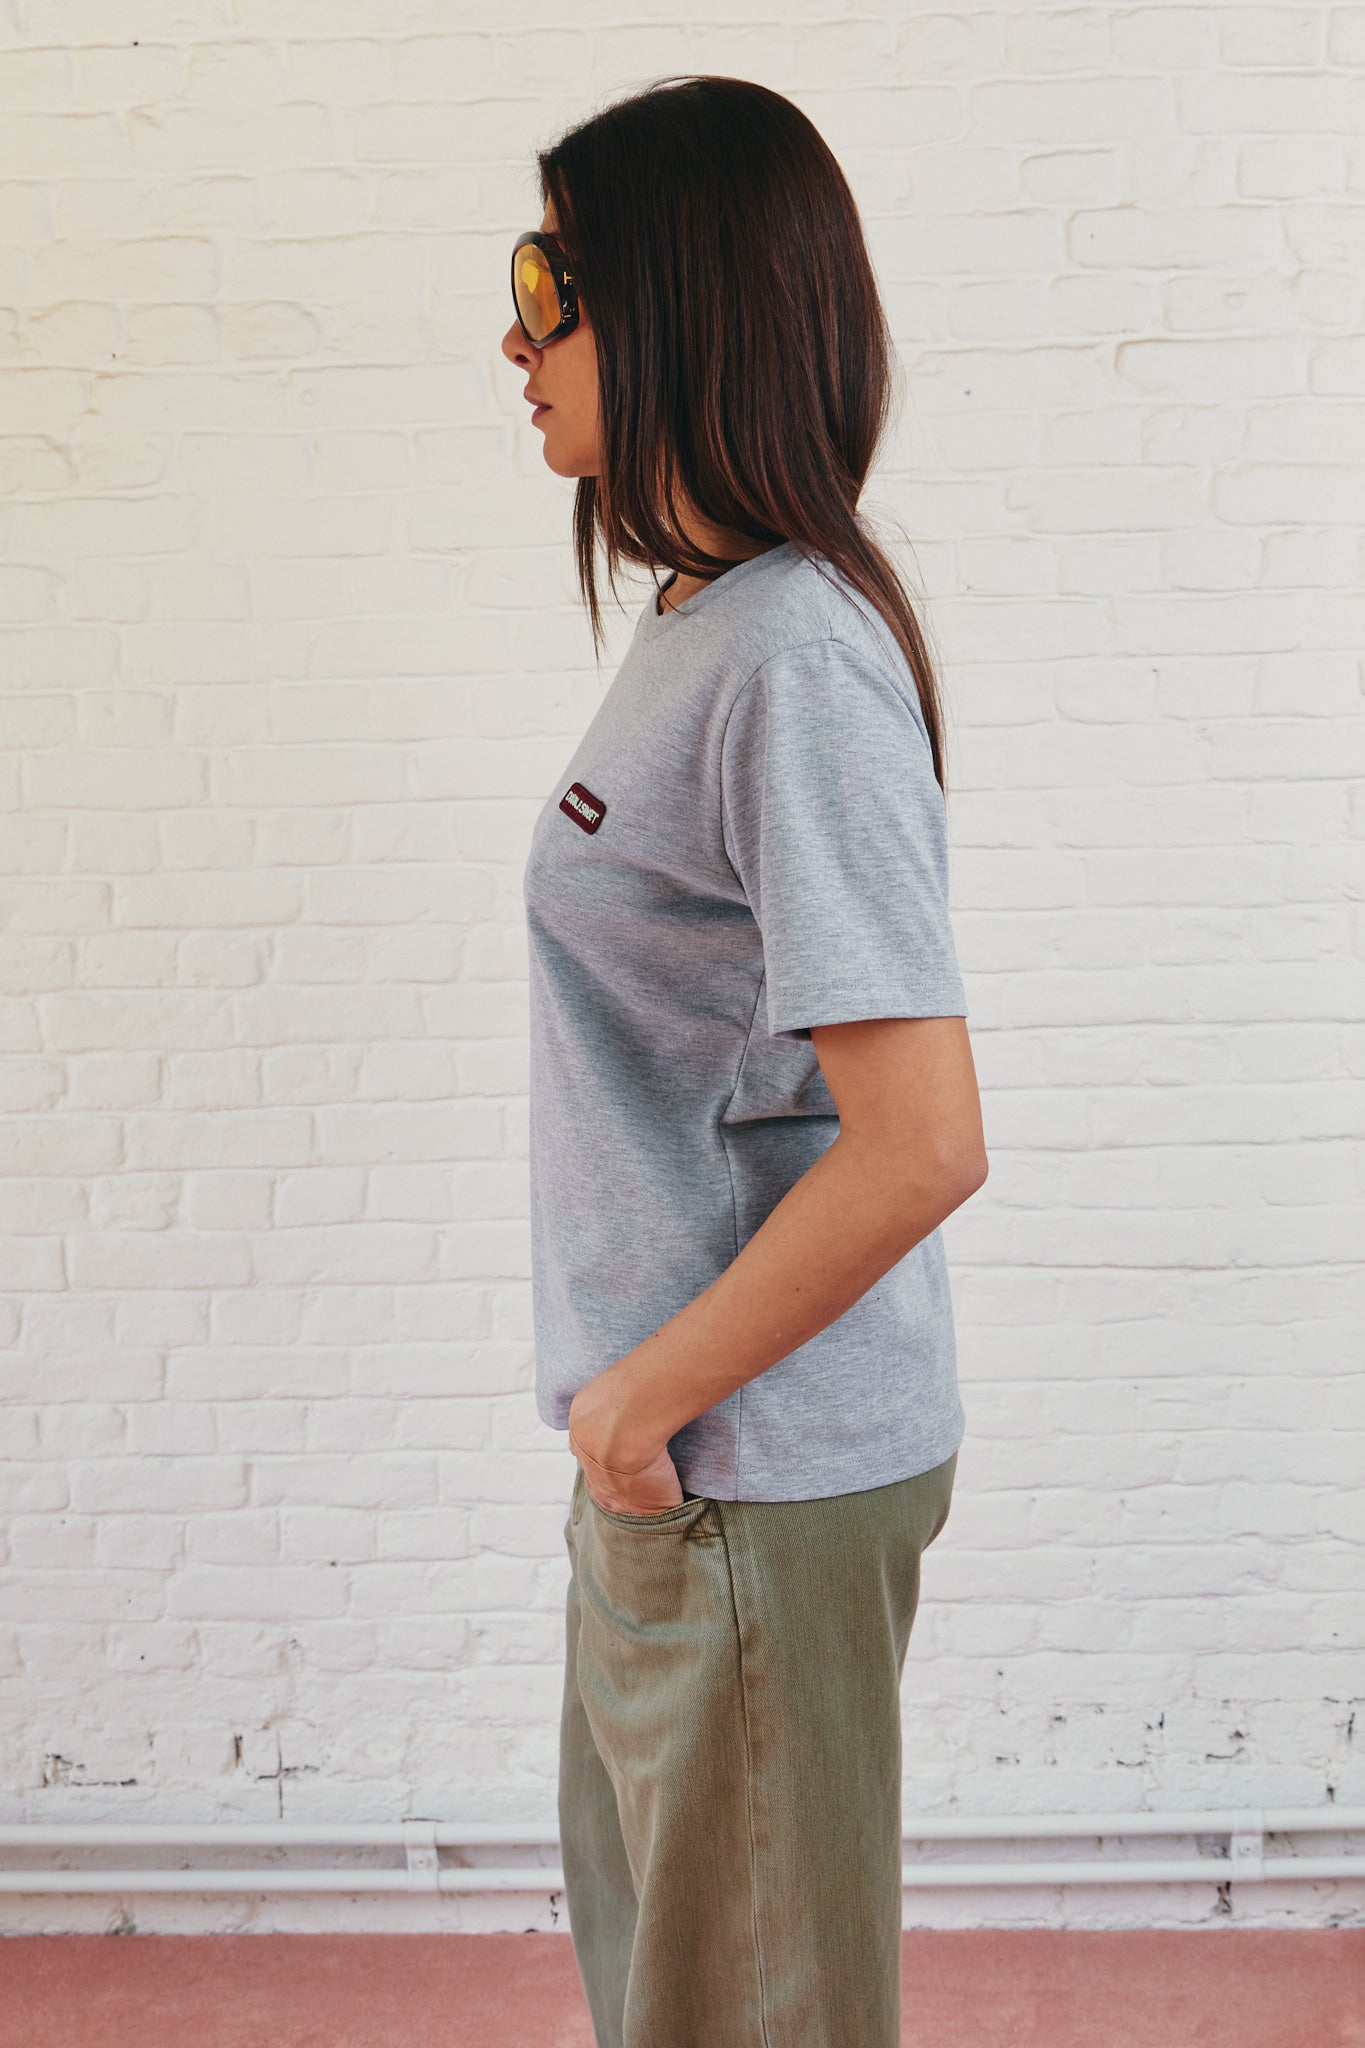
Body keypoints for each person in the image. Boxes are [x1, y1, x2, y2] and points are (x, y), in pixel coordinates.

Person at [500, 74, 988, 2048]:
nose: (515, 339)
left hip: (736, 1473)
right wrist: (627, 1436)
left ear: (681, 302)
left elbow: (919, 1141)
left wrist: (640, 1410)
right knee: (681, 1995)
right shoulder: (705, 622)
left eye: (549, 285)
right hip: (685, 1474)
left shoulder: (795, 657)